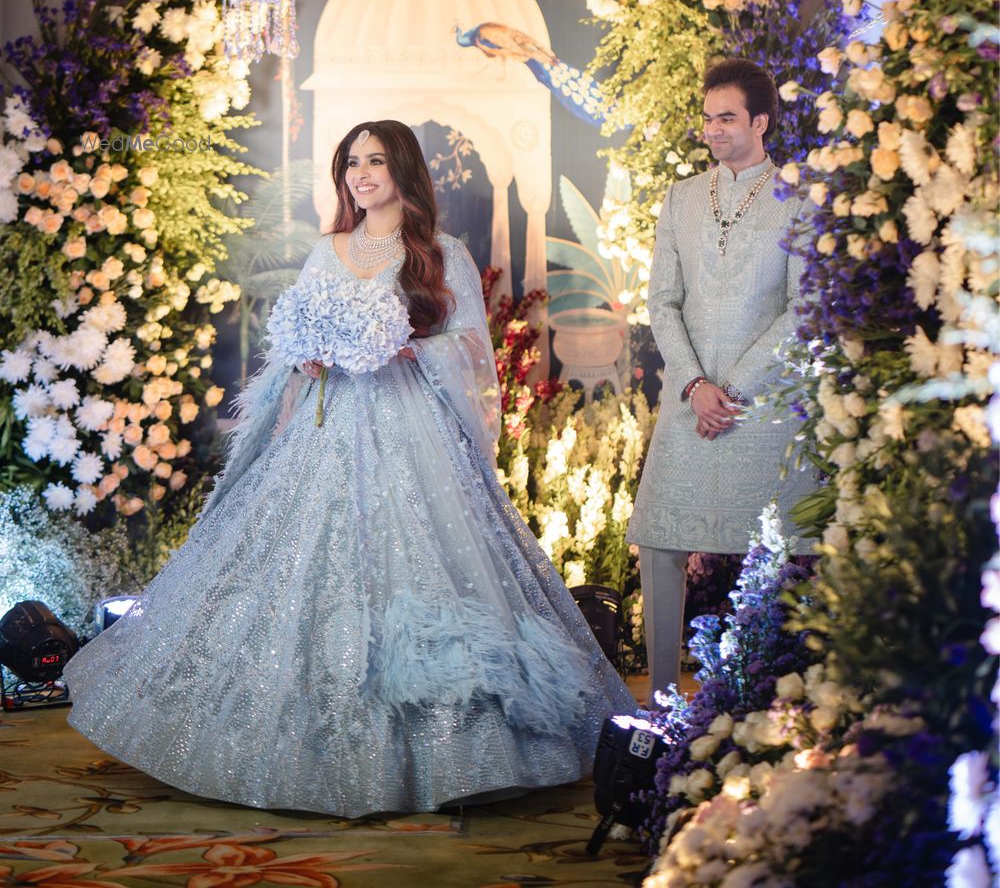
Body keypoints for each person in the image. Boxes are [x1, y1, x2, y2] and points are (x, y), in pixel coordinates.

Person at [64, 120, 633, 816]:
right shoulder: (327, 250)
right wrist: (306, 357)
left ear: (404, 172)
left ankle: (455, 754)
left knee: (423, 572)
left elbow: (471, 352)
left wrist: (406, 350)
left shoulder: (439, 253)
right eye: (352, 163)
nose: (362, 174)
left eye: (376, 161)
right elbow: (294, 341)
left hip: (412, 434)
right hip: (325, 431)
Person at [628, 58, 813, 699]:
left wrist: (730, 389)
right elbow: (662, 302)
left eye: (726, 117)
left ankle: (777, 698)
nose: (712, 130)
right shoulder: (681, 198)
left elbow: (802, 308)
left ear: (761, 121)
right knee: (658, 540)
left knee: (781, 552)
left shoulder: (798, 196)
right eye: (707, 118)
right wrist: (694, 386)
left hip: (759, 408)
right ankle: (658, 698)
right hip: (691, 398)